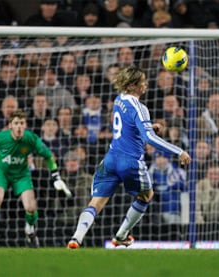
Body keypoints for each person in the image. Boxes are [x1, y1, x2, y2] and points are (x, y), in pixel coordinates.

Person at [67, 66, 191, 249]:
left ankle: (76, 238)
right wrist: (178, 151)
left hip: (110, 159)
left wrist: (149, 126)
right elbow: (149, 138)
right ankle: (121, 235)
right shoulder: (140, 107)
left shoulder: (119, 100)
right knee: (147, 195)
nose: (146, 84)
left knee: (96, 202)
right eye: (142, 81)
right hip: (130, 161)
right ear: (133, 85)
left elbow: (129, 126)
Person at [0, 110, 72, 248]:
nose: (19, 126)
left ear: (25, 125)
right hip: (1, 172)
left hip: (21, 174)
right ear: (10, 126)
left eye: (21, 123)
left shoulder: (31, 139)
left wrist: (56, 176)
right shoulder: (0, 138)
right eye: (16, 123)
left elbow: (48, 156)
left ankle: (30, 231)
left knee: (31, 208)